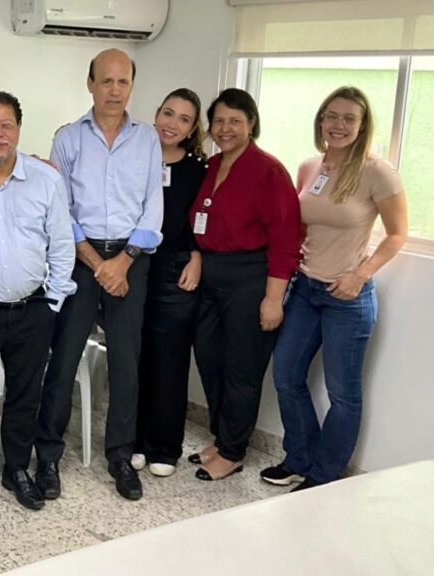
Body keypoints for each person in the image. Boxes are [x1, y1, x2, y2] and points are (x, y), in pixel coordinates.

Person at [262, 86, 407, 492]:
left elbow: (397, 234)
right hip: (304, 290)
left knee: (343, 394)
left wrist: (360, 275)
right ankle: (299, 459)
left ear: (362, 126)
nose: (338, 125)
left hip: (347, 298)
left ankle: (324, 475)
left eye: (349, 118)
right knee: (286, 376)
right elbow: (299, 226)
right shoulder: (310, 167)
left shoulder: (378, 172)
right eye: (331, 116)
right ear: (321, 120)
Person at [35, 48, 163, 502]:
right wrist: (97, 264)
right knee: (64, 359)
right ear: (90, 84)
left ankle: (120, 457)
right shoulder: (69, 138)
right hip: (80, 259)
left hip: (130, 260)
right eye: (106, 81)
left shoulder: (147, 139)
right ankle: (47, 456)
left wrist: (123, 262)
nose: (114, 90)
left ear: (132, 86)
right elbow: (61, 210)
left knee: (126, 365)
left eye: (123, 81)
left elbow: (153, 207)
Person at [0, 91, 76, 513]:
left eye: (6, 125)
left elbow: (62, 244)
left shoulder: (46, 180)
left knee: (24, 396)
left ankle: (16, 469)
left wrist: (53, 301)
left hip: (32, 311)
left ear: (19, 128)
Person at [187, 88, 303, 481]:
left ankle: (233, 452)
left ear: (251, 123)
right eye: (218, 121)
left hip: (251, 278)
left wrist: (273, 299)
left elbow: (286, 238)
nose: (225, 128)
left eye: (235, 121)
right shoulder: (211, 165)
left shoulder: (268, 171)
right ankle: (222, 438)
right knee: (210, 360)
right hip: (210, 277)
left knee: (242, 368)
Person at [136, 88, 208, 478]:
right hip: (134, 264)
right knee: (134, 356)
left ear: (193, 128)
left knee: (169, 359)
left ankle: (164, 446)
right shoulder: (135, 154)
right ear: (157, 114)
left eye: (184, 119)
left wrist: (197, 256)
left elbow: (205, 220)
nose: (172, 123)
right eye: (168, 113)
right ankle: (134, 441)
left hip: (176, 269)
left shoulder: (199, 169)